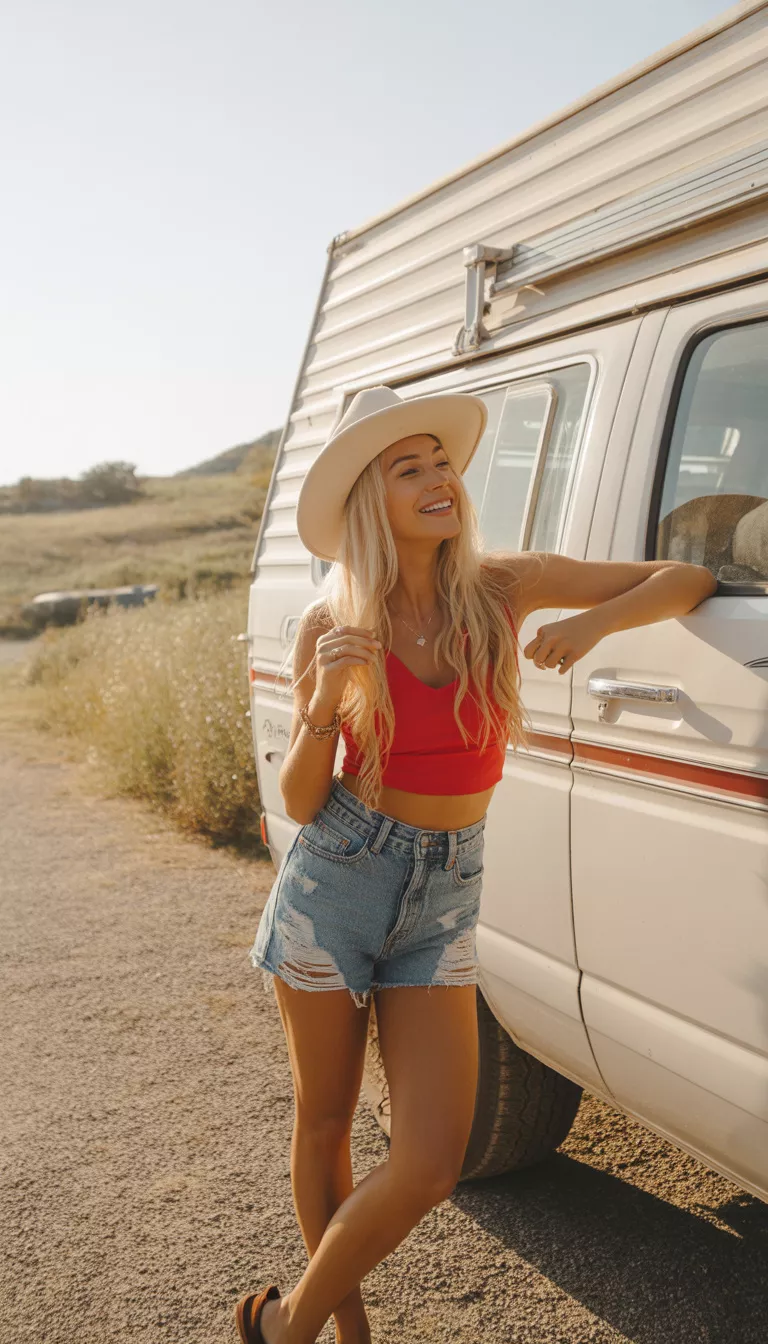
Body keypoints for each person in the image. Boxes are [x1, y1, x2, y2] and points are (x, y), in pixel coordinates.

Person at [235, 384, 717, 1344]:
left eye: (441, 462)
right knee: (326, 1122)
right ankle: (346, 1331)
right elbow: (298, 800)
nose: (438, 480)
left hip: (446, 892)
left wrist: (591, 627)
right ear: (370, 501)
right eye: (407, 469)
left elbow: (683, 578)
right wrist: (329, 696)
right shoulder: (331, 623)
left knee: (429, 1164)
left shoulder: (503, 585)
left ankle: (286, 1323)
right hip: (338, 879)